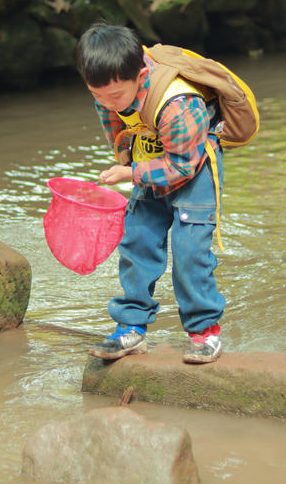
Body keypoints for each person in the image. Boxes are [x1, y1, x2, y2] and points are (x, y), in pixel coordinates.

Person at [77, 23, 225, 364]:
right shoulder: (106, 89)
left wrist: (130, 173)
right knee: (136, 243)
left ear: (141, 73)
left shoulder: (179, 104)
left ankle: (205, 333)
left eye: (115, 96)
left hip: (193, 165)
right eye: (96, 94)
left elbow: (183, 166)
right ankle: (131, 329)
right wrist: (125, 155)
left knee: (189, 255)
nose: (105, 102)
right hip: (150, 155)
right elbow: (115, 123)